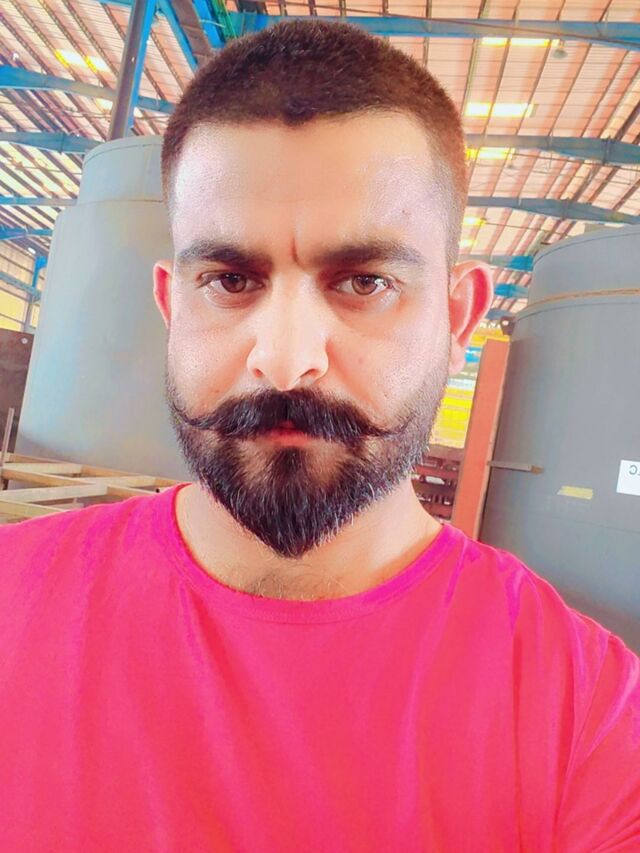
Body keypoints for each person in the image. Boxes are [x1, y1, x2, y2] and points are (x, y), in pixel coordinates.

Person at [1, 19, 638, 852]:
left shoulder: (588, 718)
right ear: (171, 305)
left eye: (364, 281)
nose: (286, 358)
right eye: (230, 279)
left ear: (458, 319)